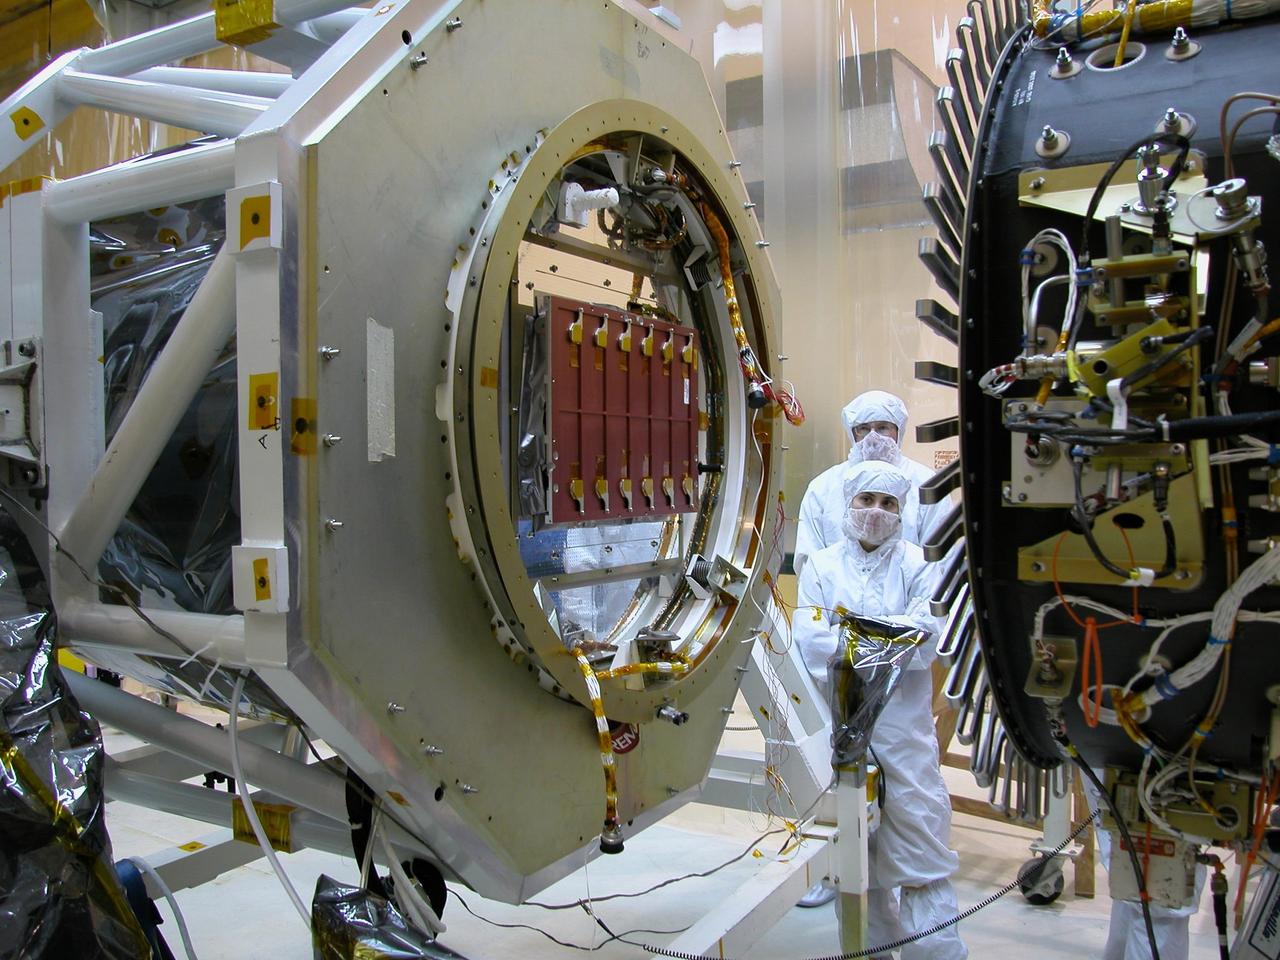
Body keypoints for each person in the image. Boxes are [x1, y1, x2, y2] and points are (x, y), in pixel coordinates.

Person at [793, 460, 966, 960]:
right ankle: (874, 948)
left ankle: (937, 953)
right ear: (848, 505)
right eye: (866, 500)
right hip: (840, 727)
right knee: (855, 853)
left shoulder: (920, 564)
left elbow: (928, 638)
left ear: (902, 510)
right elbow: (810, 640)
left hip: (902, 733)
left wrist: (853, 634)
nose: (876, 512)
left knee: (920, 847)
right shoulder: (823, 567)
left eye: (888, 503)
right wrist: (888, 633)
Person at [794, 390, 950, 577]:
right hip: (837, 602)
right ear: (852, 433)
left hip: (908, 601)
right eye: (864, 428)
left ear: (898, 430)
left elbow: (940, 561)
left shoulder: (926, 484)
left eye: (883, 427)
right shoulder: (823, 487)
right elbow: (809, 563)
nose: (873, 437)